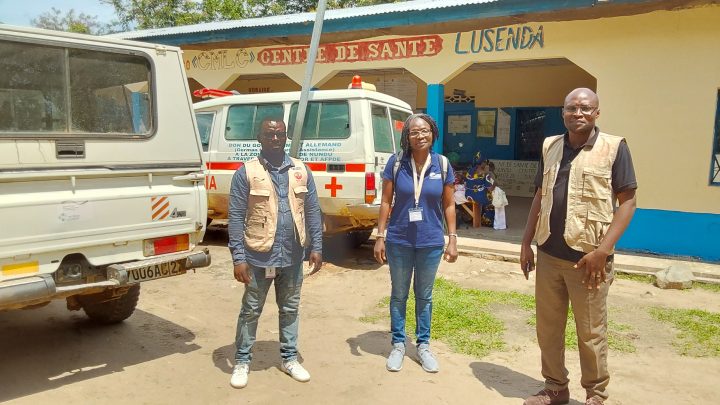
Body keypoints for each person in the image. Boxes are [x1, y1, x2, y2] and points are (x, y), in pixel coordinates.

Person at [520, 88, 637, 405]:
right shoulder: (551, 146)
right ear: (563, 112)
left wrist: (604, 251)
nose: (579, 113)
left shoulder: (614, 148)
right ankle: (555, 388)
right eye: (572, 108)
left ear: (597, 112)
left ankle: (595, 394)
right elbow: (540, 195)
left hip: (589, 261)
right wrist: (526, 242)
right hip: (547, 254)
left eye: (586, 108)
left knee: (590, 333)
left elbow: (628, 204)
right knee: (548, 329)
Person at [227, 117, 323, 389]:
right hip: (258, 255)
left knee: (290, 309)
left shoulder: (301, 170)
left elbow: (313, 210)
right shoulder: (246, 172)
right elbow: (235, 216)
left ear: (286, 137)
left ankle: (289, 358)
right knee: (251, 310)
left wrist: (316, 246)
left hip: (293, 255)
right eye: (270, 134)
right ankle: (242, 361)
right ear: (260, 138)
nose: (276, 139)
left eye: (280, 134)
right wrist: (238, 258)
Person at [373, 113, 459, 373]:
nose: (420, 136)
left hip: (431, 241)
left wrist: (452, 238)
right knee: (399, 295)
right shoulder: (396, 163)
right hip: (399, 239)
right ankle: (398, 344)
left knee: (425, 295)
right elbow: (386, 201)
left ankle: (423, 346)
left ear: (433, 133)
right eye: (414, 132)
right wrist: (380, 236)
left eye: (425, 131)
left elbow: (449, 203)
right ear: (406, 137)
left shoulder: (442, 165)